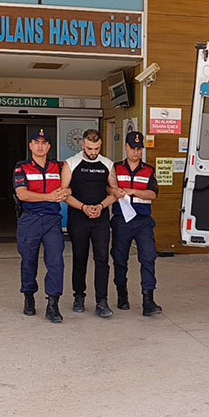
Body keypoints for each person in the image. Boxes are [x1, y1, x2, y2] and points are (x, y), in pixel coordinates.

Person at [13, 128, 70, 323]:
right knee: (29, 261)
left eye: (44, 143)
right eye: (36, 142)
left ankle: (53, 304)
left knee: (56, 261)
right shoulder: (22, 168)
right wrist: (49, 197)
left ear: (49, 146)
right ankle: (29, 296)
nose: (40, 146)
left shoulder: (59, 167)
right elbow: (22, 194)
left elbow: (69, 186)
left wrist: (66, 192)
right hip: (30, 219)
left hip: (52, 220)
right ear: (30, 146)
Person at [61, 129, 118, 318]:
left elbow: (115, 192)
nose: (93, 152)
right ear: (83, 144)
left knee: (102, 259)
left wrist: (101, 206)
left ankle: (102, 301)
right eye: (89, 148)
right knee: (80, 258)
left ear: (100, 145)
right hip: (79, 217)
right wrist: (83, 207)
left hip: (100, 218)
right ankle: (78, 296)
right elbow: (64, 193)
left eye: (96, 149)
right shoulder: (71, 163)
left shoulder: (107, 164)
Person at [110, 131, 163, 316]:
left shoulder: (149, 170)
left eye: (139, 149)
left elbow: (153, 194)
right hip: (121, 219)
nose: (136, 152)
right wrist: (114, 190)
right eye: (133, 148)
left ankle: (148, 299)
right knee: (119, 258)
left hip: (142, 221)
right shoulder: (115, 168)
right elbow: (108, 188)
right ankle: (122, 294)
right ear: (126, 147)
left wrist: (132, 191)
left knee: (148, 257)